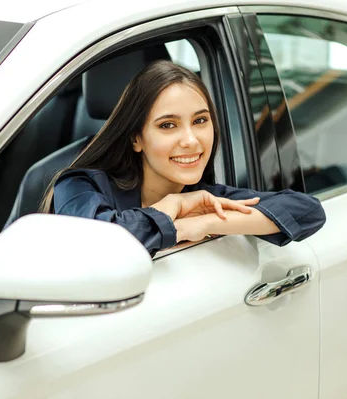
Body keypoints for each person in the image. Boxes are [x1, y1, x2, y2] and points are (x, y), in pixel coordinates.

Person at [40, 60, 326, 256]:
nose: (190, 140)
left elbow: (307, 210)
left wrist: (204, 224)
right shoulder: (79, 186)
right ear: (135, 138)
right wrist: (172, 207)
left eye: (200, 121)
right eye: (168, 125)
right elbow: (101, 245)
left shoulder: (205, 202)